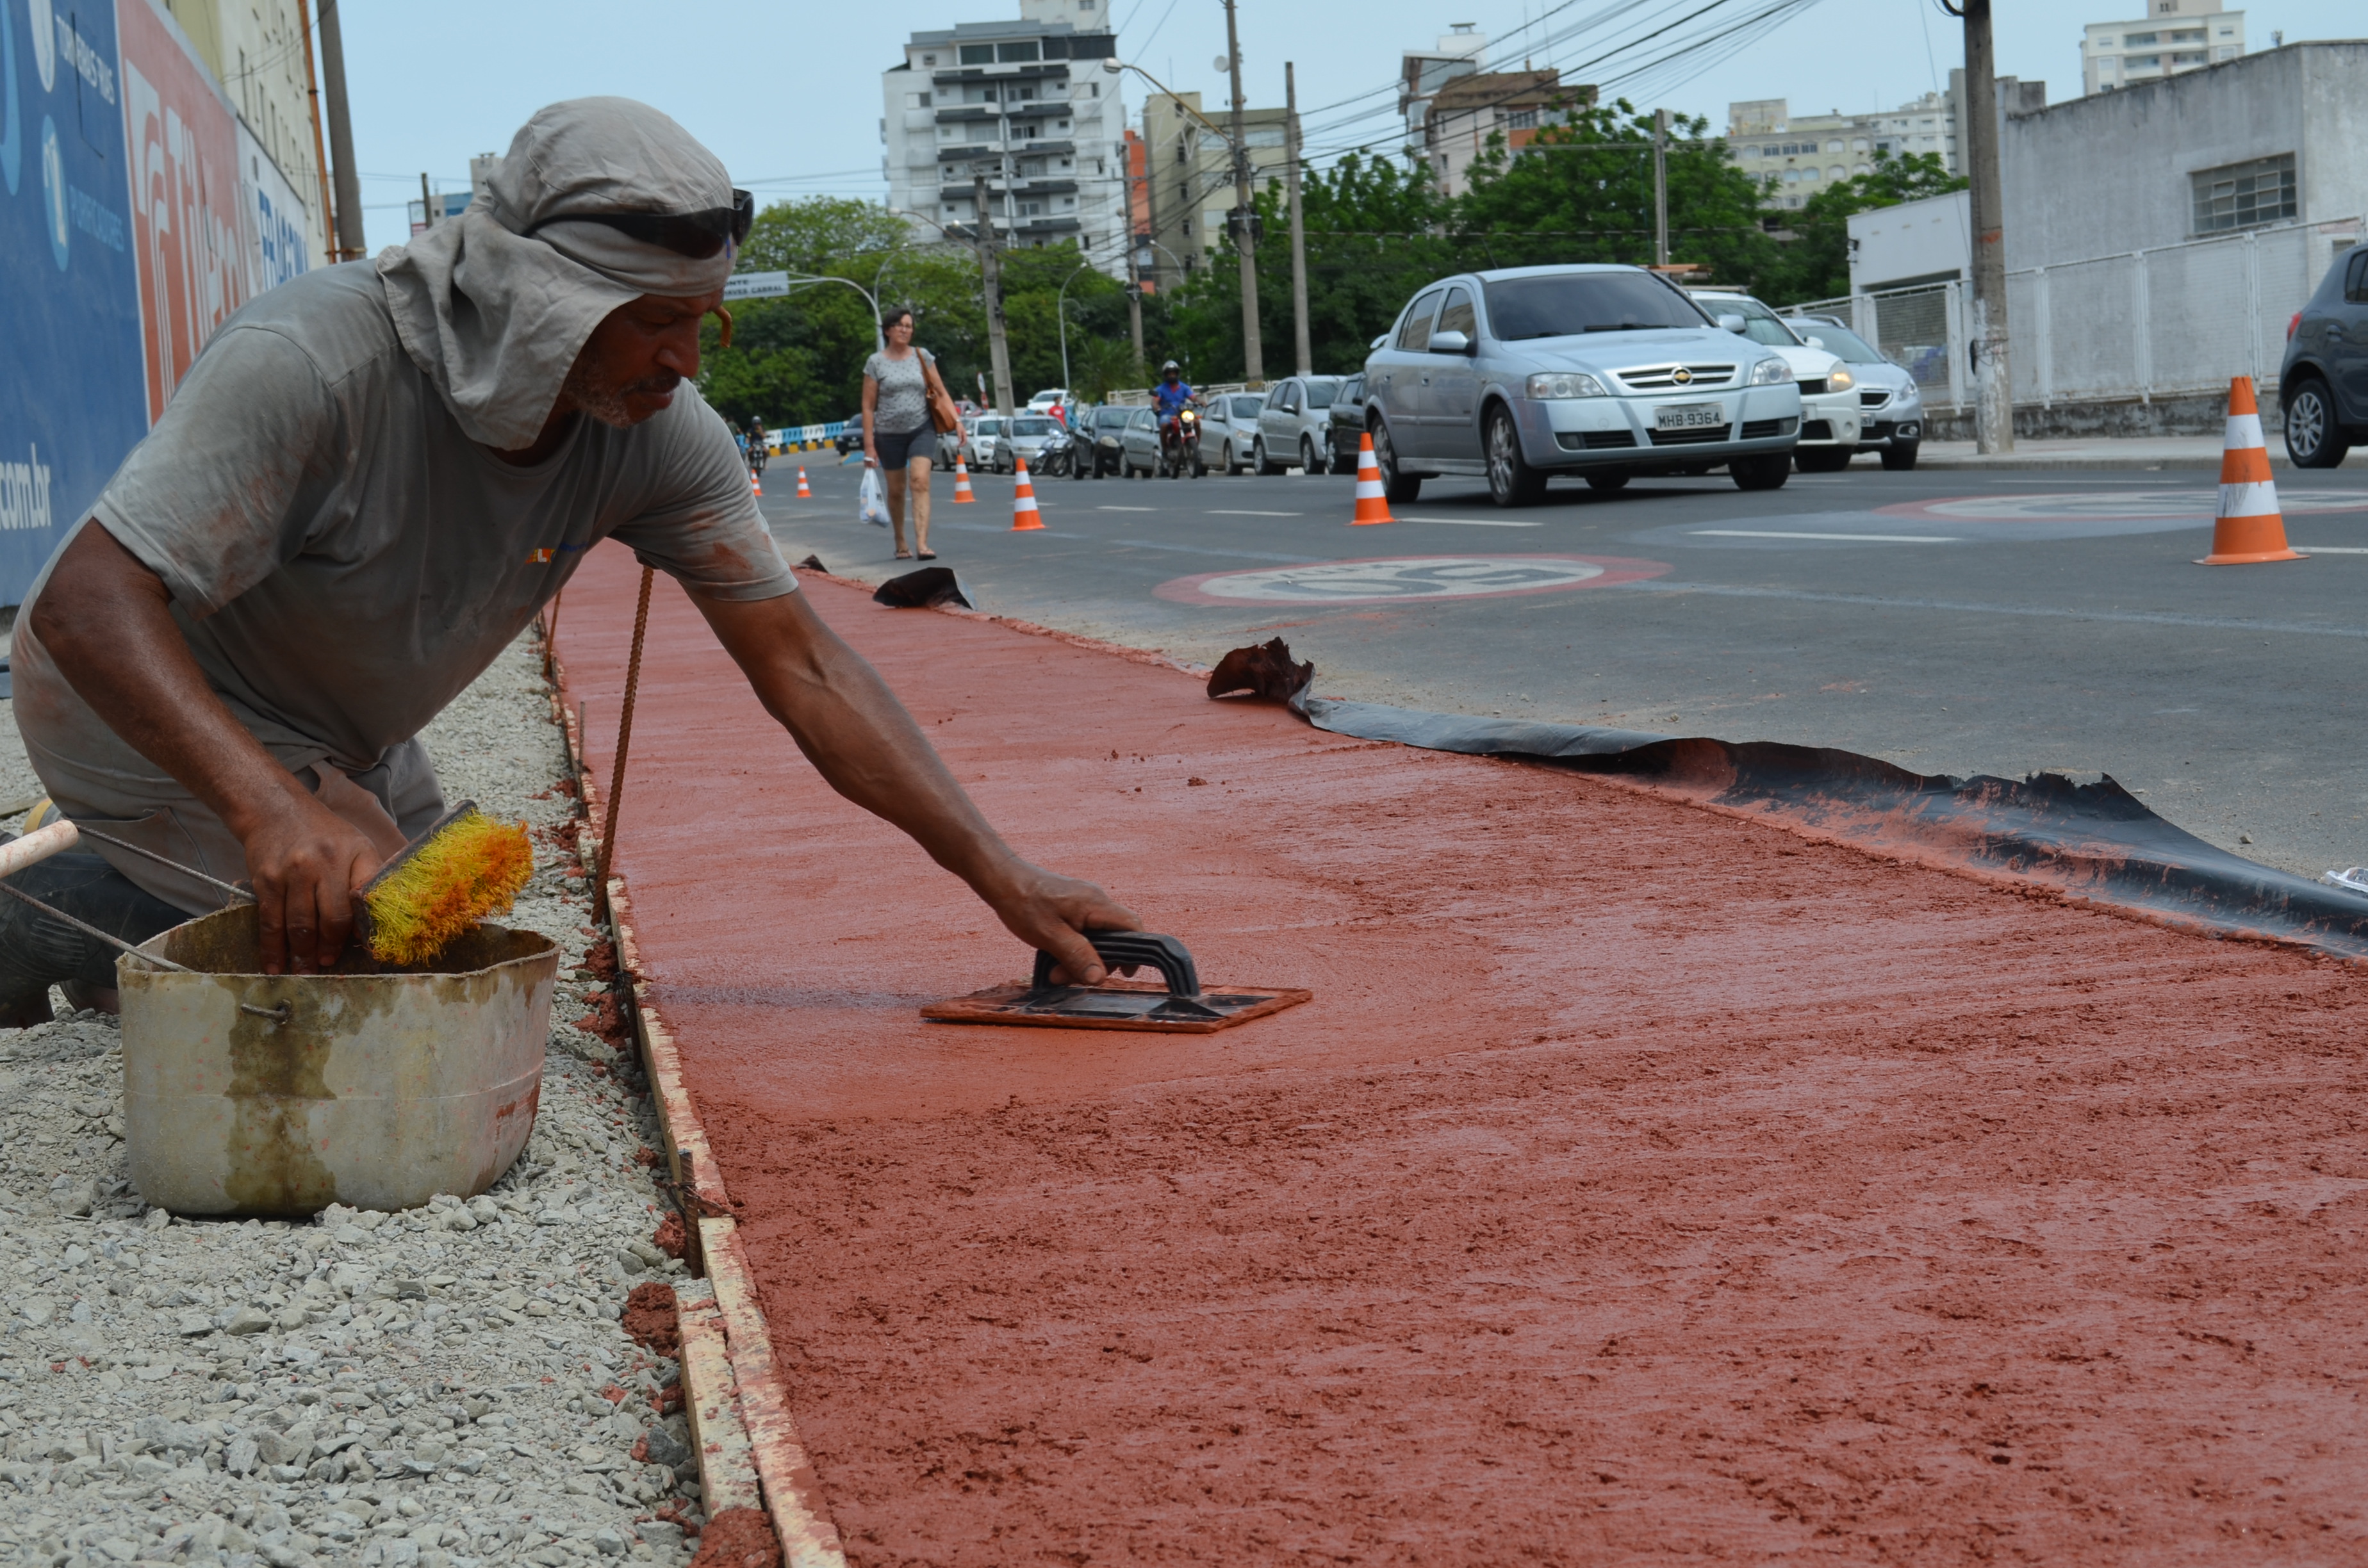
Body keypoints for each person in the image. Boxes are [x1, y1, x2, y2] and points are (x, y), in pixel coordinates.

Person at [2, 97, 1135, 1017]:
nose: (686, 362)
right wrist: (263, 810)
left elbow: (808, 668)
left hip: (336, 733)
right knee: (376, 965)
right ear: (535, 300)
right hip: (133, 704)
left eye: (705, 321)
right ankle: (35, 922)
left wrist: (1004, 873)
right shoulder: (316, 362)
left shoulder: (656, 432)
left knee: (444, 931)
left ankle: (137, 907)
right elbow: (86, 606)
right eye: (655, 320)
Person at [860, 309, 951, 562]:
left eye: (909, 326)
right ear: (888, 330)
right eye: (899, 325)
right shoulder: (875, 363)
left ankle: (922, 544)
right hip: (888, 435)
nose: (904, 329)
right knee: (897, 489)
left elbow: (941, 392)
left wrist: (958, 423)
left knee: (920, 481)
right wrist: (869, 447)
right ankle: (901, 540)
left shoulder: (923, 357)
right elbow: (868, 407)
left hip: (922, 428)